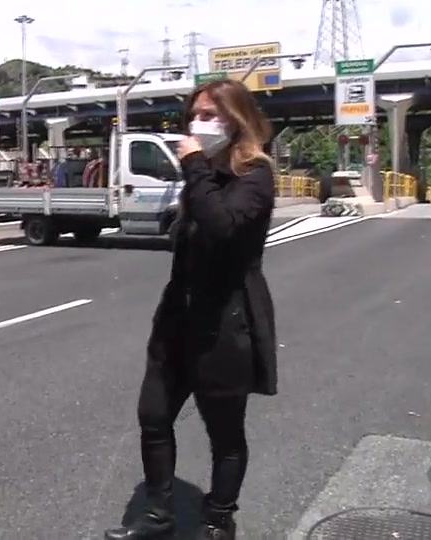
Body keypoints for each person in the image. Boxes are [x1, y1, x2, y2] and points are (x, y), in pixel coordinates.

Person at [104, 79, 278, 540]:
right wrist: (196, 173)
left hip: (224, 324)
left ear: (237, 120)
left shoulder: (254, 176)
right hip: (177, 321)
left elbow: (223, 229)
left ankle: (219, 519)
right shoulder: (196, 180)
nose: (199, 124)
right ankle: (158, 514)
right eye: (194, 115)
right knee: (154, 416)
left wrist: (195, 165)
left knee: (224, 434)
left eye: (211, 115)